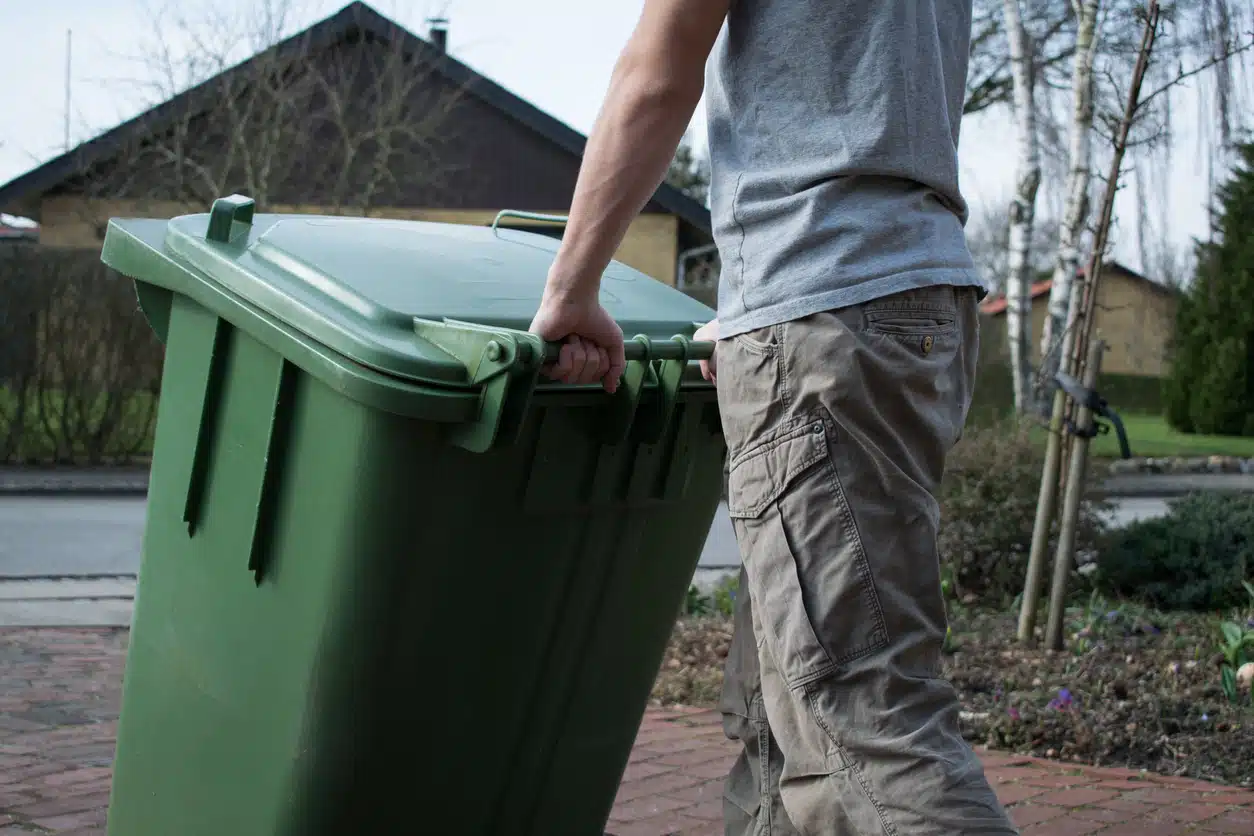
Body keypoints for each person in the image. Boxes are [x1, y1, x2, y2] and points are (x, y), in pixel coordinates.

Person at [529, 1, 1018, 833]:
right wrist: (753, 308)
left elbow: (659, 69)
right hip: (907, 295)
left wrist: (571, 288)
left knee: (863, 727)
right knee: (781, 721)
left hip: (823, 303)